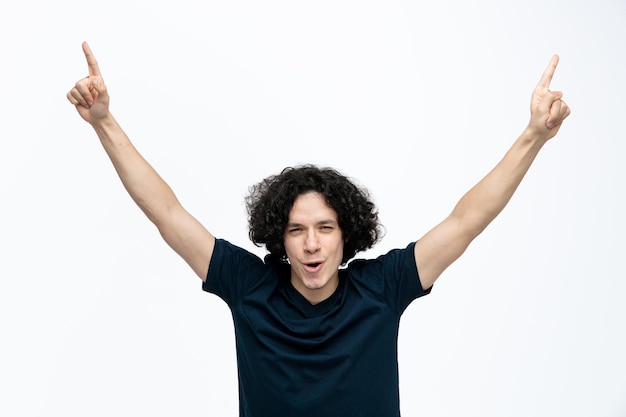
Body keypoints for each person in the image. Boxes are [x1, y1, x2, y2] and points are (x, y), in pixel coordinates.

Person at [66, 42, 570, 417]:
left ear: (345, 234)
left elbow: (467, 221)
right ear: (279, 239)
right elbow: (168, 214)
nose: (311, 243)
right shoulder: (249, 287)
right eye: (297, 230)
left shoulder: (383, 287)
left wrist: (533, 136)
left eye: (325, 228)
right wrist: (103, 123)